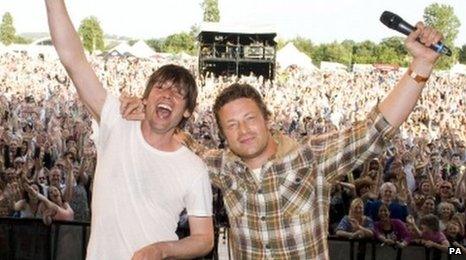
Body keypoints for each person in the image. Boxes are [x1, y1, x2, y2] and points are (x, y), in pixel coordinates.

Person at [122, 21, 445, 259]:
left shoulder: (312, 158)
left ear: (268, 120)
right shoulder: (222, 166)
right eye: (232, 125)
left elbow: (377, 127)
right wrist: (147, 111)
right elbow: (181, 139)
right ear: (224, 136)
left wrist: (421, 64)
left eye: (250, 119)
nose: (243, 130)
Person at [43, 1, 213, 259]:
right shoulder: (116, 121)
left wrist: (162, 249)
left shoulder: (193, 167)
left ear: (187, 111)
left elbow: (204, 238)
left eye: (178, 93)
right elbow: (73, 60)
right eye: (160, 87)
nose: (167, 94)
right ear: (145, 98)